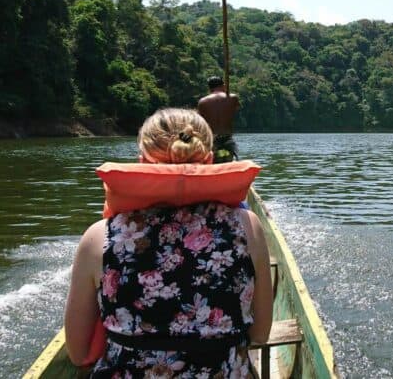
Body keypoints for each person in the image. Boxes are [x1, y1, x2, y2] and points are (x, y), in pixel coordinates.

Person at [64, 108, 272, 377]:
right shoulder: (248, 227)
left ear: (141, 161)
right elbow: (261, 333)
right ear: (209, 160)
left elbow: (78, 353)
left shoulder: (98, 237)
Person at [197, 76, 240, 163]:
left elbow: (201, 120)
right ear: (223, 85)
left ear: (209, 88)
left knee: (212, 164)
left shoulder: (202, 102)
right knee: (228, 163)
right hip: (227, 140)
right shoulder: (233, 98)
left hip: (212, 140)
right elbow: (235, 108)